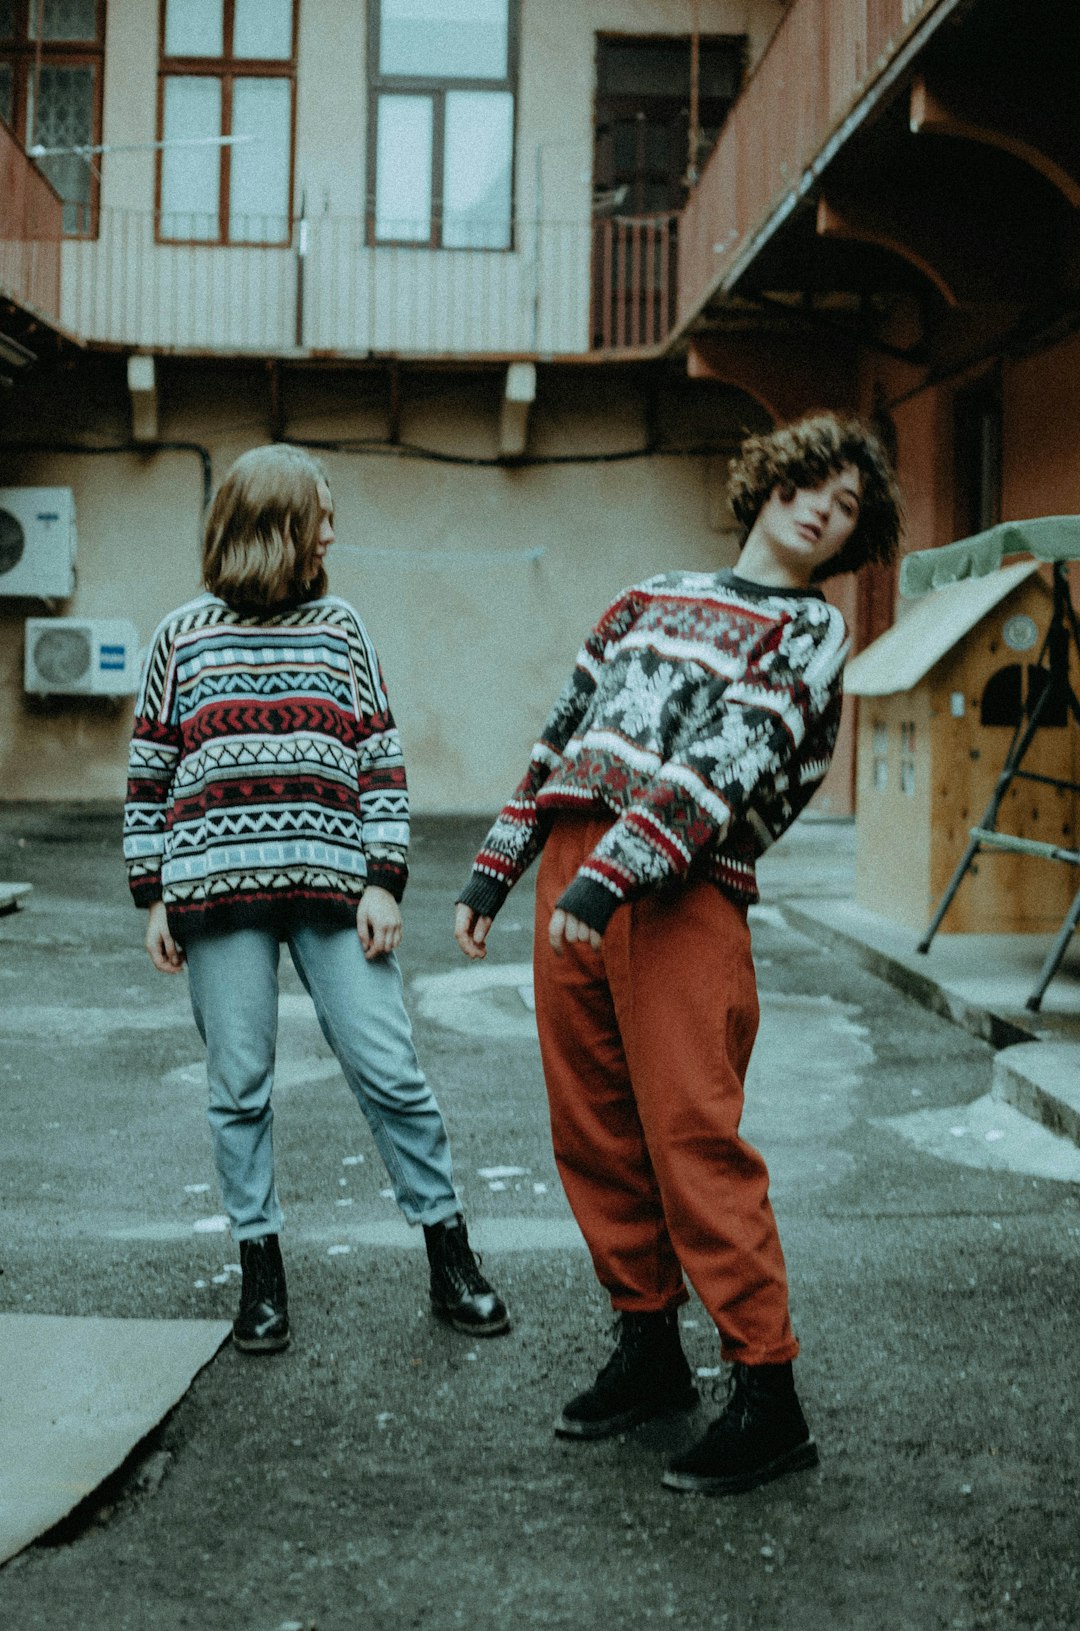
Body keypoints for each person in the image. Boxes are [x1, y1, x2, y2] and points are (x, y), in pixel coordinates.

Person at [454, 412, 902, 1493]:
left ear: (849, 540)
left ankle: (769, 1388)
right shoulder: (645, 596)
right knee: (594, 1125)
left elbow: (733, 751)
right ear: (767, 482)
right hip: (575, 861)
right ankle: (650, 1349)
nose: (819, 512)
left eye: (844, 509)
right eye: (808, 486)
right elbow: (563, 732)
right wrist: (497, 866)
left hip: (681, 881)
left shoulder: (809, 631)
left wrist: (618, 872)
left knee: (691, 1131)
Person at [124, 444, 508, 1354]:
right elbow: (149, 774)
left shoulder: (341, 628)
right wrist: (152, 895)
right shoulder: (181, 637)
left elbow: (380, 756)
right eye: (320, 516)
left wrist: (384, 877)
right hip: (214, 897)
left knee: (391, 1070)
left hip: (336, 891)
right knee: (239, 1085)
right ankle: (261, 1273)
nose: (333, 533)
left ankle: (449, 1250)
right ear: (274, 526)